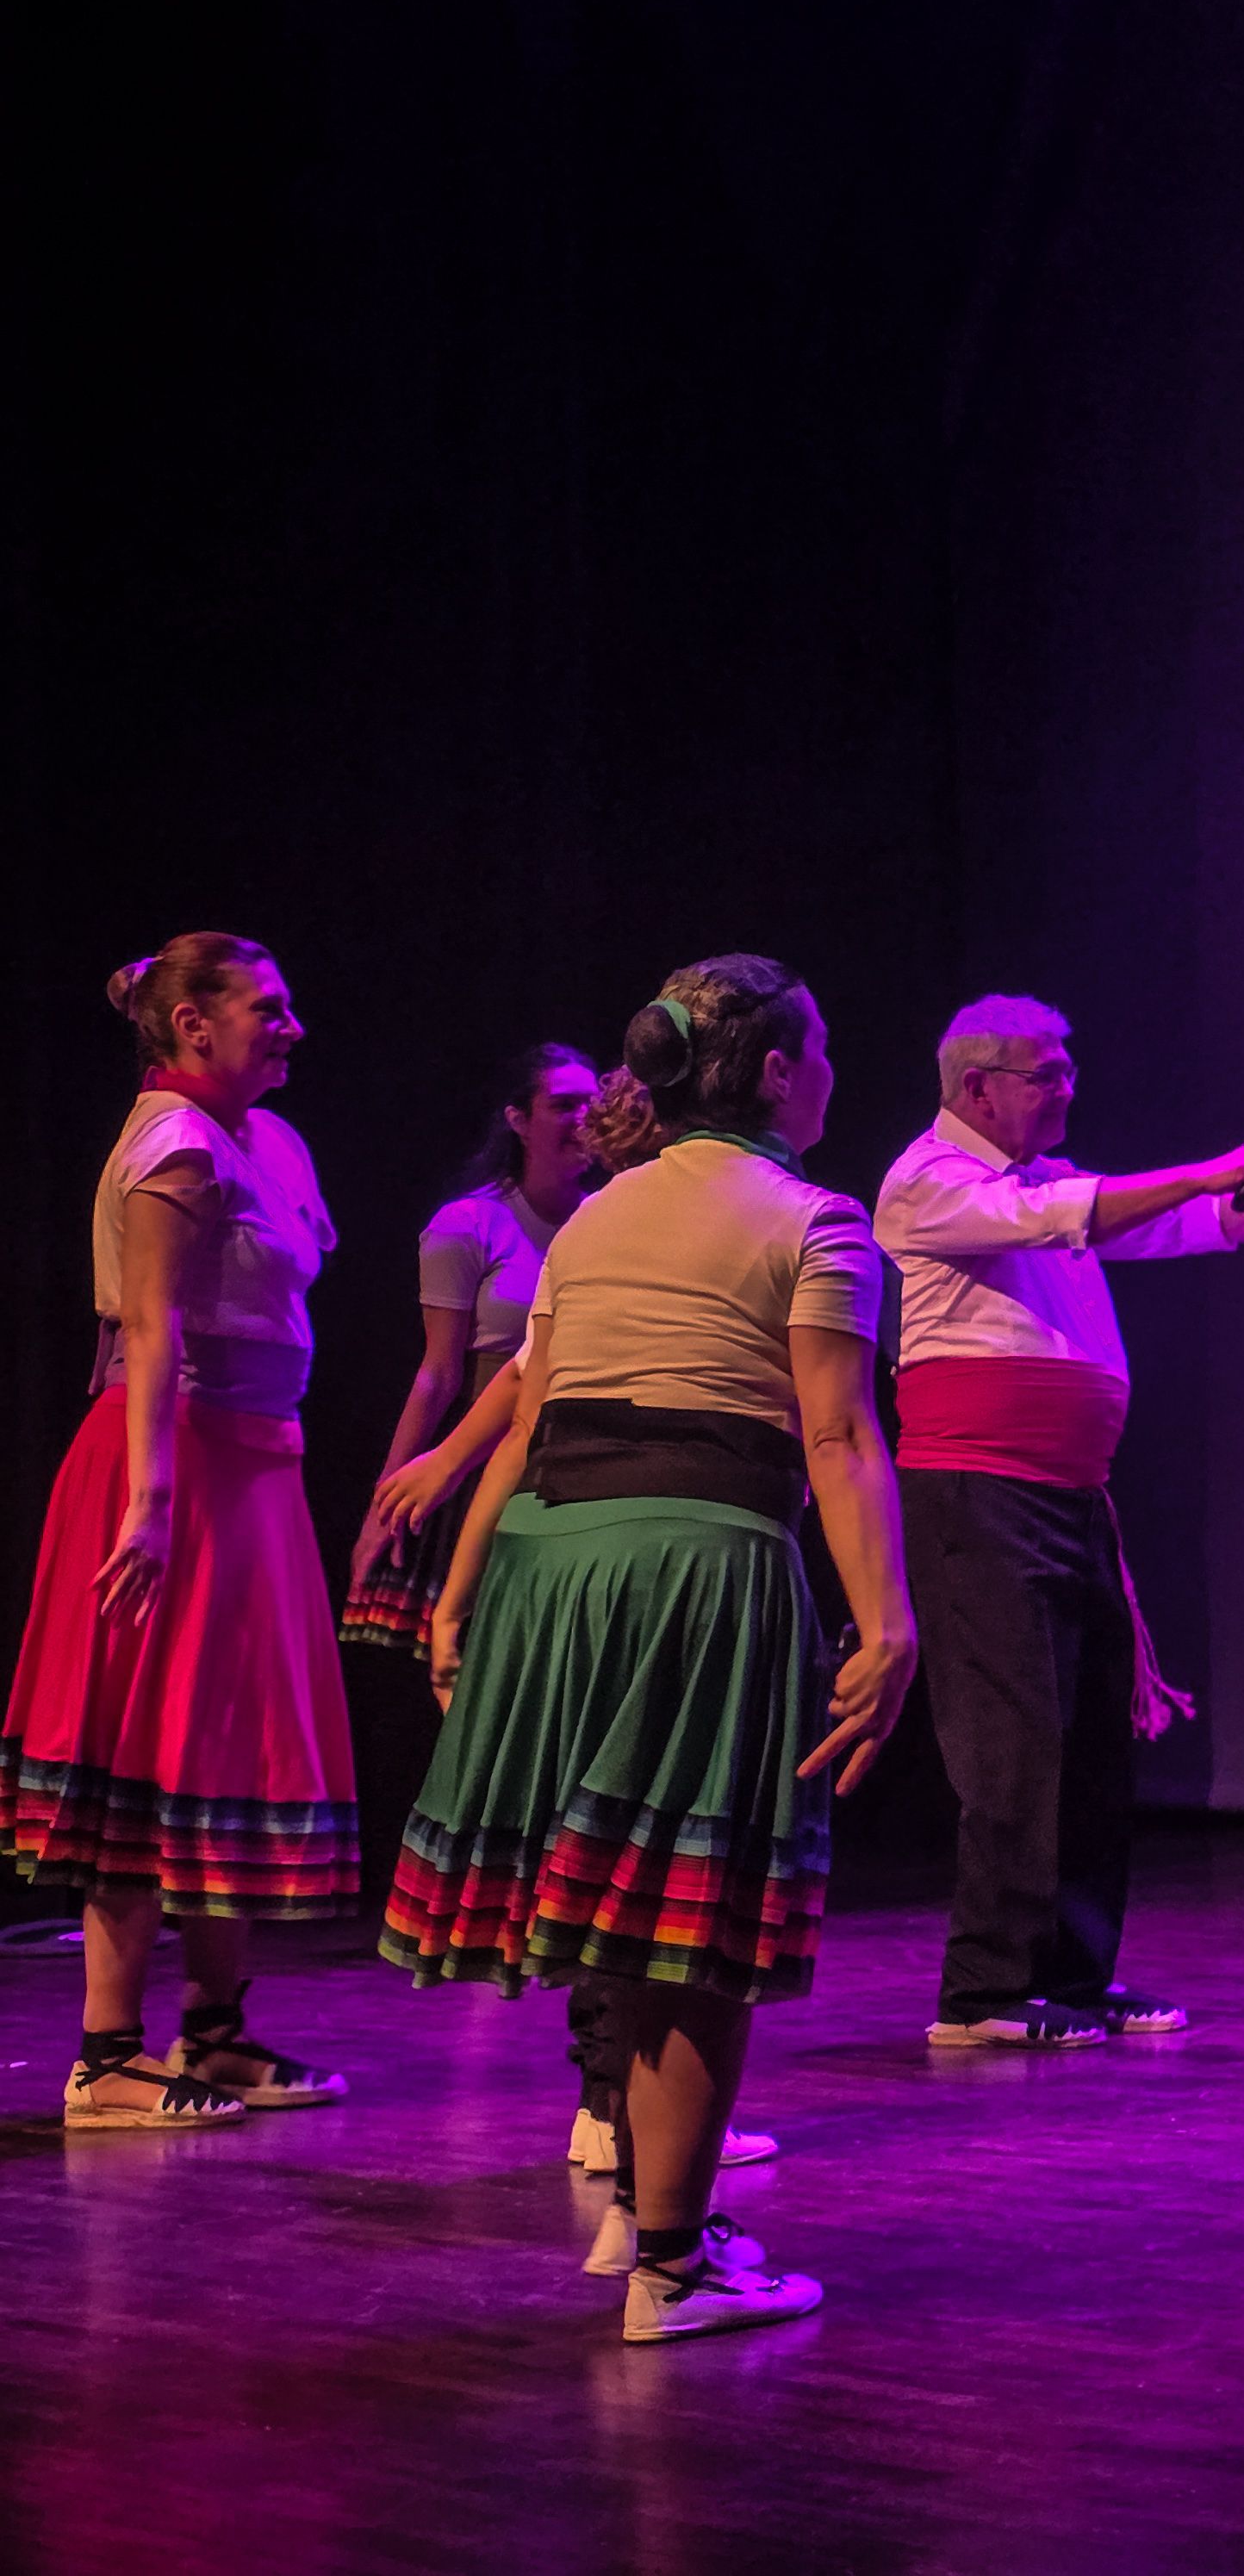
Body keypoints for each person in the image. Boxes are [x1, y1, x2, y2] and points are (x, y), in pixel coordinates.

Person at [383, 954, 915, 2345]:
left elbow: (532, 1406)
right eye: (826, 1053)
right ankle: (674, 2265)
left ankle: (637, 2201)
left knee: (619, 1903)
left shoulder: (595, 1216)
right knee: (694, 1917)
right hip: (695, 1561)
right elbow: (839, 1436)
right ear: (784, 1072)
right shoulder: (816, 1218)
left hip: (557, 1563)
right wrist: (888, 1618)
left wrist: (459, 1596)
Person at [879, 993, 1244, 2050]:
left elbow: (1167, 1226)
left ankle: (1074, 1972)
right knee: (1012, 1740)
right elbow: (1081, 1217)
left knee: (1093, 1735)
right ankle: (988, 1992)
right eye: (1045, 1072)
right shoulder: (927, 1182)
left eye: (1067, 1066)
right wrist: (1205, 1167)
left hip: (1064, 1493)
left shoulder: (1049, 1184)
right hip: (979, 1494)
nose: (1067, 1086)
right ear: (976, 1088)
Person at [4, 935, 356, 2128]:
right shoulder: (174, 1142)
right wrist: (149, 1509)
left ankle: (214, 2036)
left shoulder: (267, 1136)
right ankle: (107, 2056)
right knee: (147, 1747)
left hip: (253, 1468)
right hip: (173, 1466)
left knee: (225, 1747)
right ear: (192, 1026)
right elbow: (150, 1332)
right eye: (270, 1006)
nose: (293, 1024)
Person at [341, 1045, 600, 1658]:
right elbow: (437, 1374)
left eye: (592, 1102)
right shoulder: (471, 1224)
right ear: (518, 1119)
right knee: (465, 1654)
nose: (583, 1117)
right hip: (485, 1452)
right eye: (563, 1104)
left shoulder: (608, 1221)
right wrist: (386, 1501)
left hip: (572, 1457)